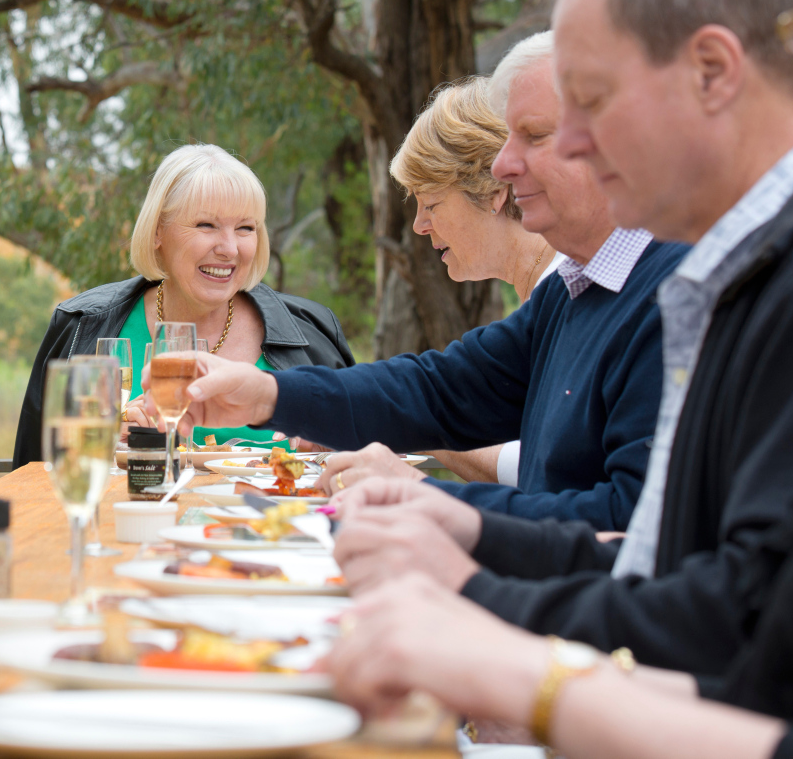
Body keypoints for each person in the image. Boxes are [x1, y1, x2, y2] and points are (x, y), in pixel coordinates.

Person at [325, 0, 793, 759]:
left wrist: (515, 655)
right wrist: (470, 544)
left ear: (714, 68)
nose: (557, 150)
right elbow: (715, 585)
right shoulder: (745, 269)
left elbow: (762, 651)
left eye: (583, 103)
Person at [164, 36, 686, 529]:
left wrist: (423, 495)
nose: (503, 165)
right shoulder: (572, 289)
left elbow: (632, 523)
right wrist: (267, 394)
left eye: (535, 136)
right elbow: (436, 389)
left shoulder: (675, 296)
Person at [11, 144, 354, 467]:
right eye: (207, 225)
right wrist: (93, 448)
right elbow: (32, 479)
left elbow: (362, 470)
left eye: (246, 228)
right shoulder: (80, 325)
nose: (230, 249)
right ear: (158, 231)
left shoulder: (315, 332)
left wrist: (334, 448)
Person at [374, 73, 563, 486]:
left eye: (432, 203)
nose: (420, 226)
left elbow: (543, 466)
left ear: (494, 189)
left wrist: (415, 424)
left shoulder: (570, 297)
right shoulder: (539, 298)